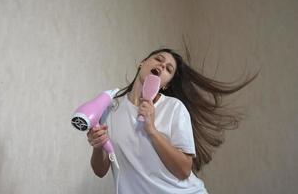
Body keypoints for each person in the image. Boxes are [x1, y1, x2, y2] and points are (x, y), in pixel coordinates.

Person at [87, 48, 257, 194]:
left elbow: (183, 171)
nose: (162, 65)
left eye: (168, 69)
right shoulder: (111, 108)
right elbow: (100, 171)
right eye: (158, 59)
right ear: (142, 63)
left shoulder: (174, 108)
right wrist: (97, 146)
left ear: (166, 84)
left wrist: (151, 130)